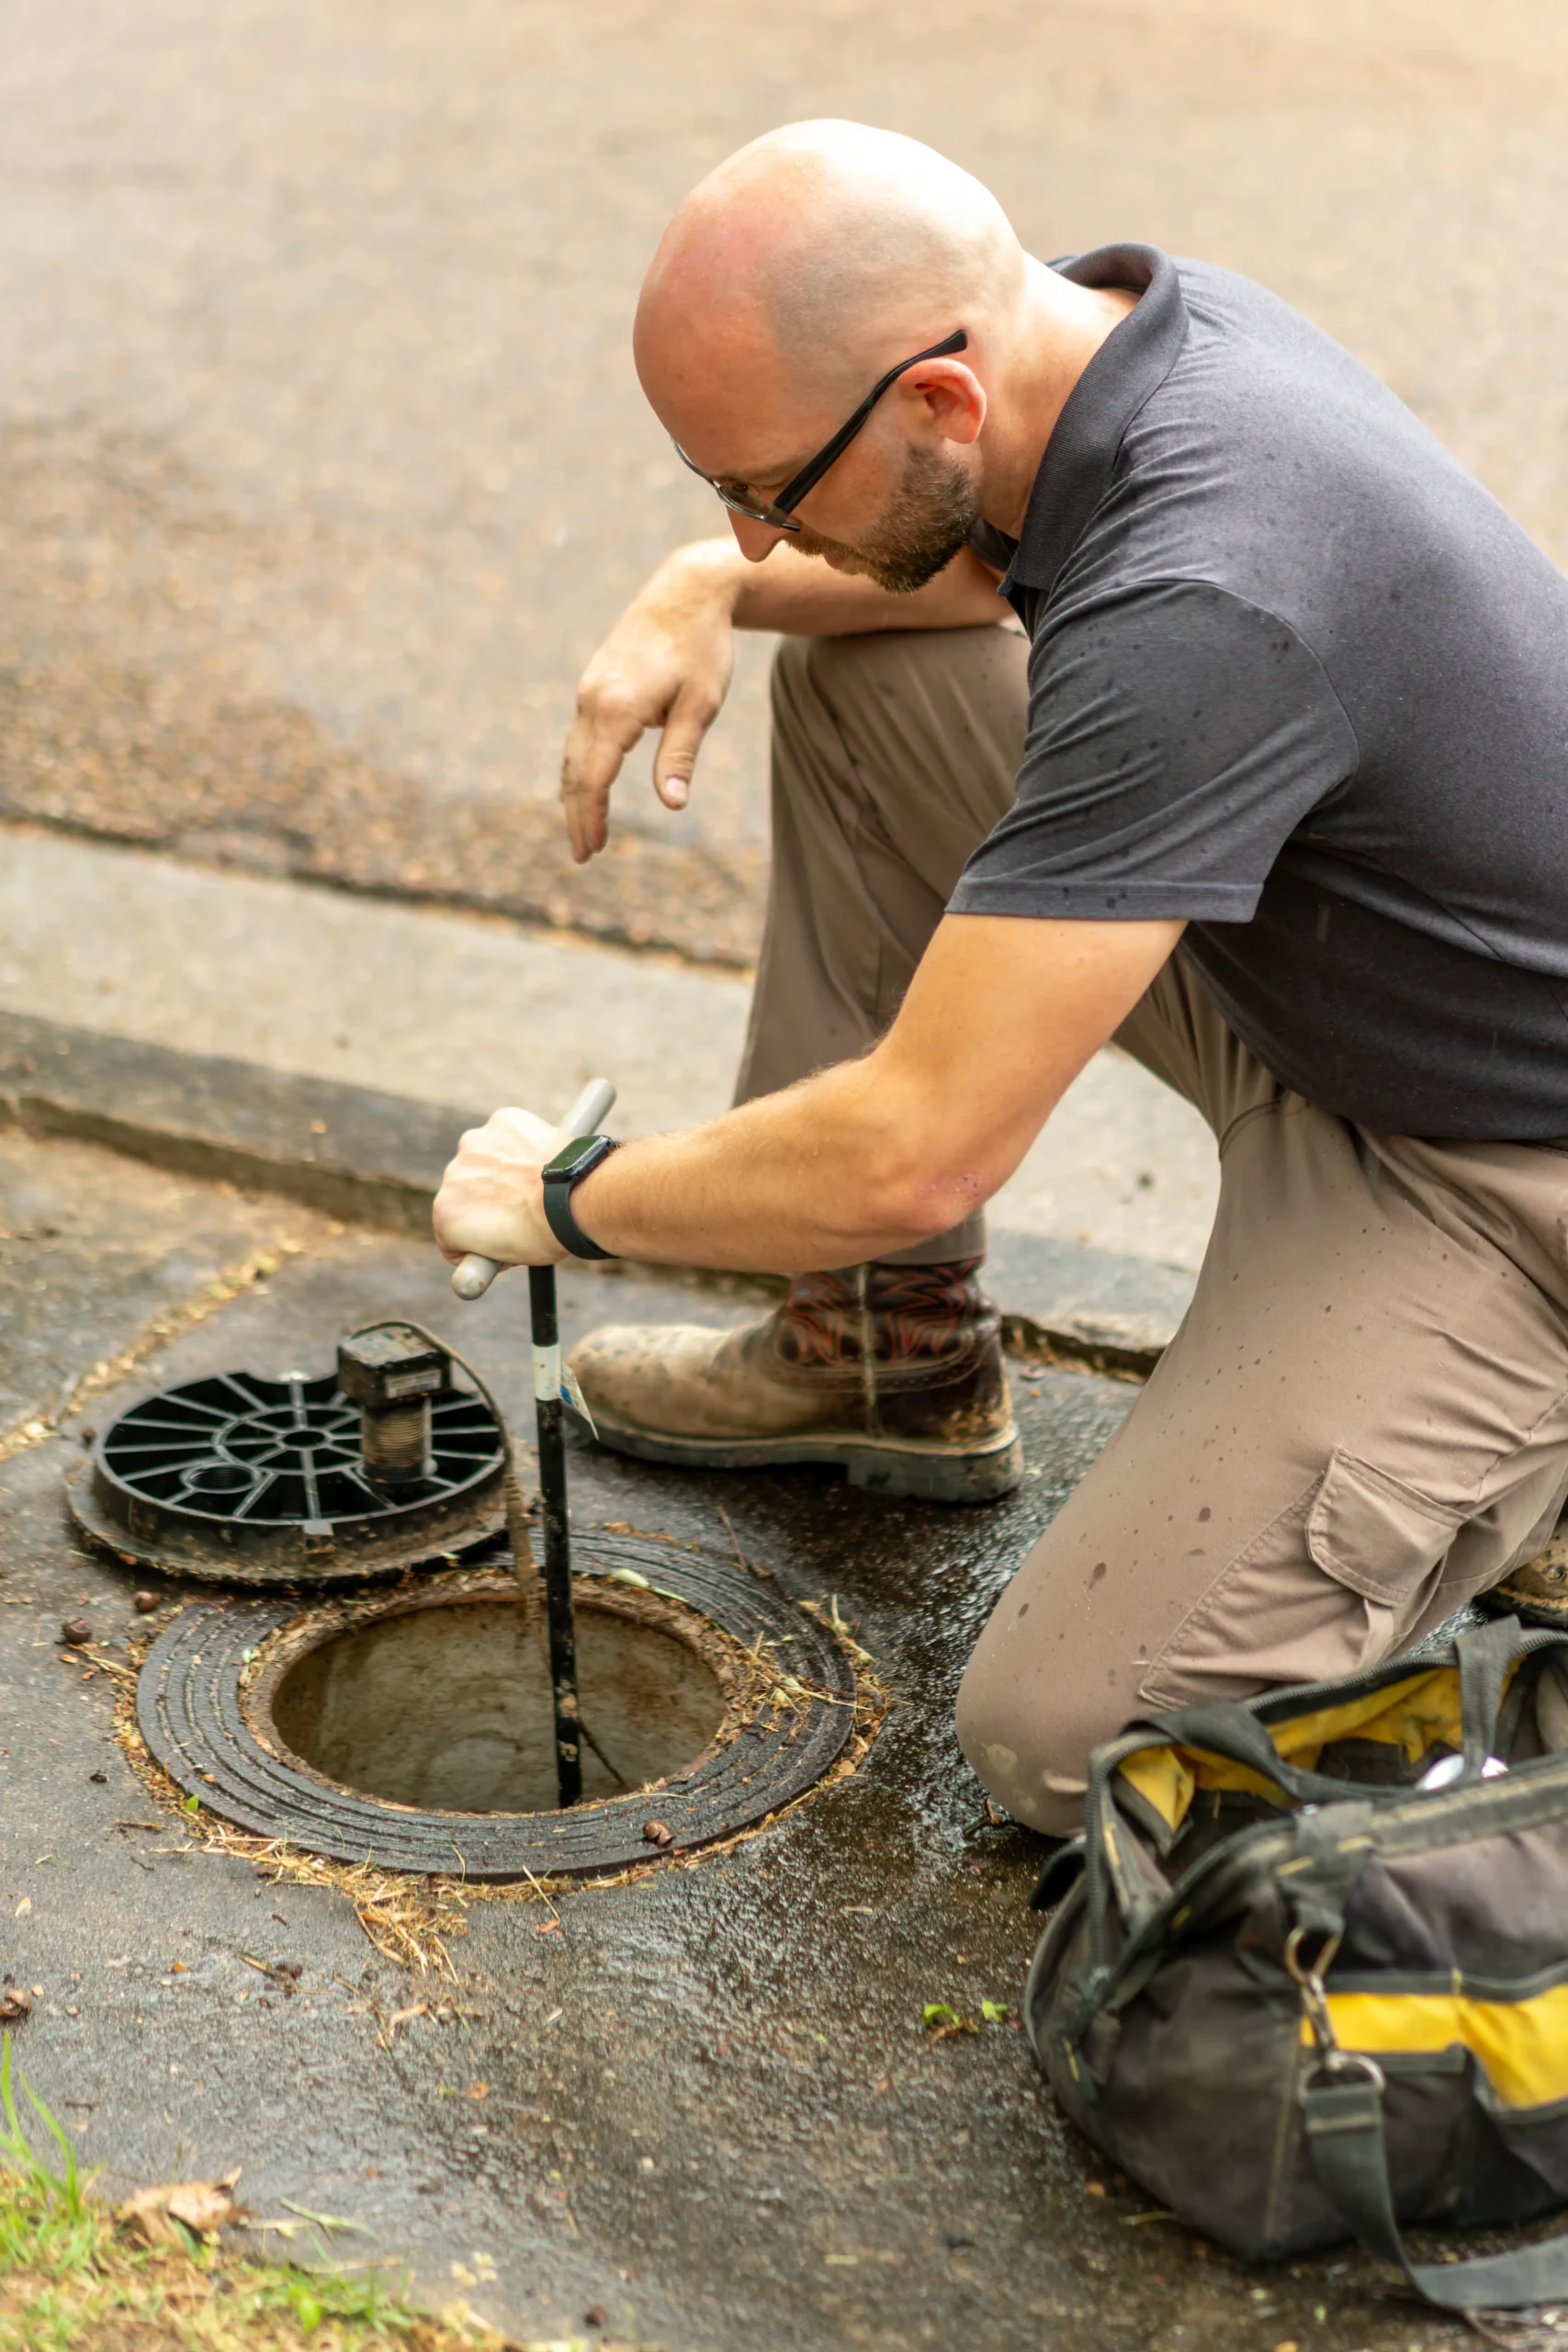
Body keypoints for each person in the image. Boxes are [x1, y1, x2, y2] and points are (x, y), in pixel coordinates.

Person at [434, 120, 1568, 1835]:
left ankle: (1516, 1463)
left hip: (1497, 1170)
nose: (749, 540)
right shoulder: (1128, 337)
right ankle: (879, 1348)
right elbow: (957, 573)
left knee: (1074, 1747)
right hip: (1342, 977)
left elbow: (915, 1146)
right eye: (715, 499)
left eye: (761, 490)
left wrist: (576, 1199)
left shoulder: (1205, 586)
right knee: (873, 688)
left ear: (939, 401)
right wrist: (699, 594)